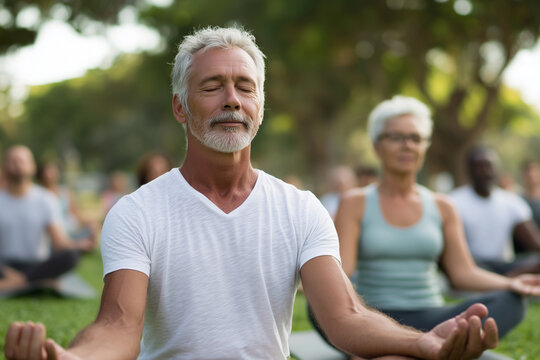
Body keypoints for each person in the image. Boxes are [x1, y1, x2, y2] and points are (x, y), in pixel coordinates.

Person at [6, 27, 499, 360]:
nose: (231, 101)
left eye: (245, 87)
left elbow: (344, 317)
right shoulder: (138, 212)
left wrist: (426, 345)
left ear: (260, 106)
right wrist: (69, 357)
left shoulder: (299, 208)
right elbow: (117, 325)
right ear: (181, 108)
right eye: (212, 87)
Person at [312, 96, 540, 360]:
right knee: (323, 307)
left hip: (433, 316)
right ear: (376, 146)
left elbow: (463, 273)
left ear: (425, 146)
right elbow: (344, 272)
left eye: (415, 138)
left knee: (510, 300)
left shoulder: (443, 206)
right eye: (396, 137)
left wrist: (512, 283)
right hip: (371, 316)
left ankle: (403, 348)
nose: (407, 145)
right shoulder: (355, 202)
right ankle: (395, 344)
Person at [0, 146, 93, 293]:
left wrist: (77, 245)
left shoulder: (46, 199)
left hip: (37, 265)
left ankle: (16, 283)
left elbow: (58, 243)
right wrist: (5, 270)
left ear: (32, 167)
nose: (17, 164)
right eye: (13, 161)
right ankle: (33, 282)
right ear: (5, 167)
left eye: (22, 161)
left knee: (71, 256)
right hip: (5, 266)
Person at [450, 146, 540, 276]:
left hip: (505, 266)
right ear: (469, 170)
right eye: (479, 168)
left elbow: (534, 243)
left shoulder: (512, 202)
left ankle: (505, 280)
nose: (485, 172)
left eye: (489, 167)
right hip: (472, 264)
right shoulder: (454, 202)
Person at [36, 160, 98, 248]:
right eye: (48, 171)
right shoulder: (39, 194)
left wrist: (89, 222)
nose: (51, 174)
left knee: (92, 226)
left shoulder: (65, 192)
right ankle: (76, 246)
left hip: (71, 230)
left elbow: (75, 213)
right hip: (54, 234)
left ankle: (80, 245)